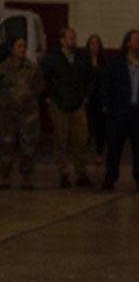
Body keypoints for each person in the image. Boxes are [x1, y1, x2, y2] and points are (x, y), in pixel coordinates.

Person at [102, 30, 139, 191]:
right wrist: (108, 107)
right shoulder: (116, 64)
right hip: (119, 113)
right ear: (128, 43)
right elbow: (107, 86)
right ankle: (110, 177)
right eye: (136, 40)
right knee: (114, 148)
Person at [41, 27, 92, 188]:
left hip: (78, 104)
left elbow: (90, 78)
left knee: (81, 140)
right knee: (61, 141)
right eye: (70, 38)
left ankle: (81, 174)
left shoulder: (82, 57)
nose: (73, 41)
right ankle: (63, 174)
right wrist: (49, 98)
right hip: (59, 104)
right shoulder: (52, 58)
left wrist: (86, 96)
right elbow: (43, 79)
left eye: (74, 38)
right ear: (62, 40)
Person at [0, 37, 44, 190]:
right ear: (11, 49)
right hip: (7, 115)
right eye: (19, 46)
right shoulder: (3, 68)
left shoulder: (32, 68)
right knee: (6, 146)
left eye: (24, 46)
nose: (22, 49)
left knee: (28, 148)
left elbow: (39, 88)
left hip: (28, 115)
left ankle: (26, 177)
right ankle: (4, 176)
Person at [85, 34, 108, 164]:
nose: (95, 46)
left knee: (100, 128)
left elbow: (106, 81)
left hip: (100, 99)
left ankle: (99, 153)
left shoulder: (104, 62)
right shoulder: (83, 61)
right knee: (85, 129)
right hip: (88, 98)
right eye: (92, 43)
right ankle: (85, 153)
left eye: (97, 43)